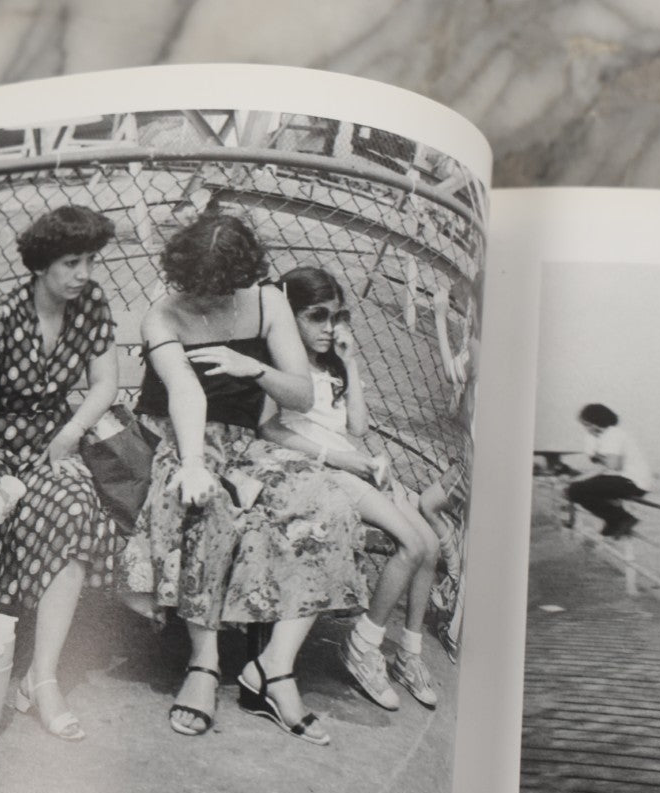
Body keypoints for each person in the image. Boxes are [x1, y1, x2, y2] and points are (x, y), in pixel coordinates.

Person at [123, 214, 365, 746]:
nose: (204, 301)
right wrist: (191, 464)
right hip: (181, 437)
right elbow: (185, 390)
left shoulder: (267, 303)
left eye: (217, 290)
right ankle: (204, 665)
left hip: (249, 441)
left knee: (329, 506)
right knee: (204, 502)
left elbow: (301, 395)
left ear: (240, 278)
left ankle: (273, 671)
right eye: (195, 288)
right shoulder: (163, 314)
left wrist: (249, 366)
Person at [0, 206, 124, 741]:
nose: (83, 273)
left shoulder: (91, 306)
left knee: (74, 507)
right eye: (71, 262)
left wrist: (69, 436)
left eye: (89, 260)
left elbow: (105, 384)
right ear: (42, 264)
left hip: (52, 446)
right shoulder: (2, 316)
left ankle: (41, 677)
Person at [258, 266, 444, 709]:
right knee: (410, 545)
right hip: (318, 467)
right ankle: (363, 645)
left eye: (336, 317)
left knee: (431, 544)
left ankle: (409, 653)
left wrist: (351, 362)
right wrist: (335, 458)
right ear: (290, 314)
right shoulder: (282, 362)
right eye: (316, 317)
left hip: (350, 464)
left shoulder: (332, 364)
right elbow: (267, 429)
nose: (328, 328)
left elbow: (357, 426)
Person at [566, 403, 652, 538]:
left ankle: (622, 518)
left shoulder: (613, 434)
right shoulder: (605, 436)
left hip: (633, 482)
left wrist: (579, 478)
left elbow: (611, 465)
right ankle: (614, 519)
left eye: (588, 425)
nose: (586, 429)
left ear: (597, 421)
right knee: (576, 489)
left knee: (575, 490)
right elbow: (603, 463)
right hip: (625, 480)